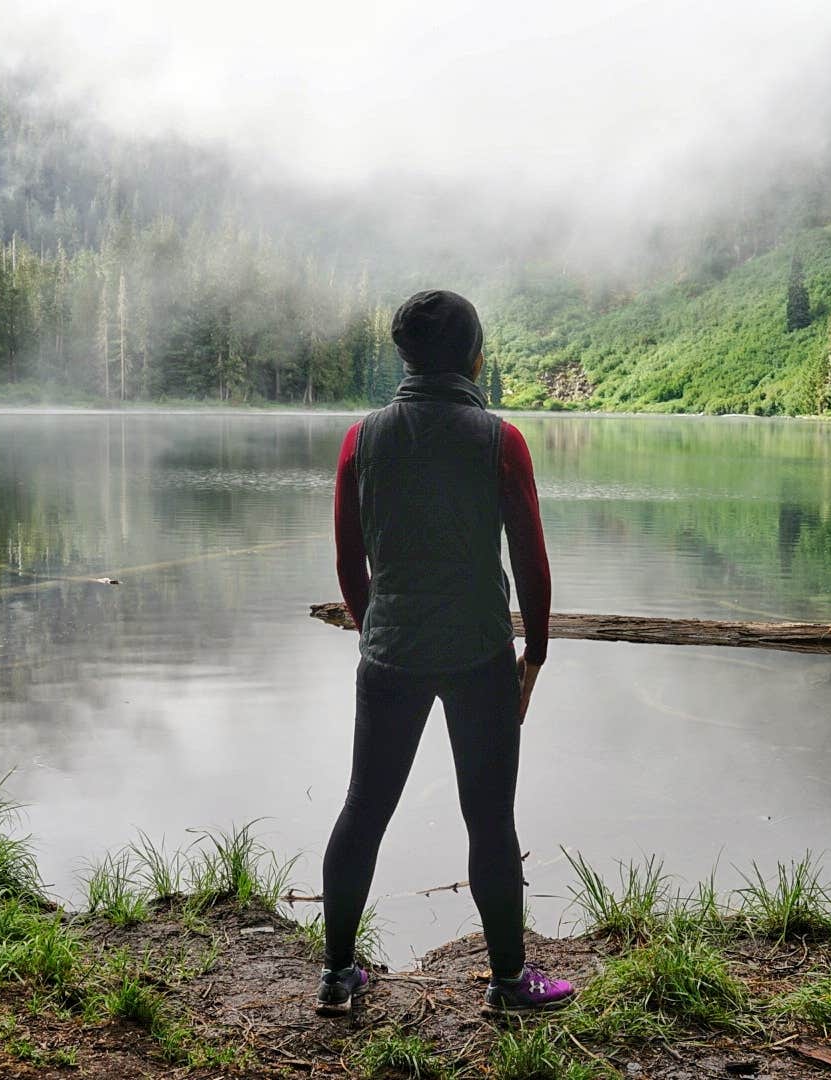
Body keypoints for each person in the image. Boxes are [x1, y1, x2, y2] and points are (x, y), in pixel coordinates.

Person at [315, 289, 576, 1018]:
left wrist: (374, 627)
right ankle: (509, 982)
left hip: (389, 653)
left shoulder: (360, 440)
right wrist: (535, 655)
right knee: (490, 819)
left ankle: (337, 976)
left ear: (405, 358)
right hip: (479, 654)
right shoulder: (500, 441)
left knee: (363, 809)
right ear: (475, 359)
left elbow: (348, 560)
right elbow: (531, 564)